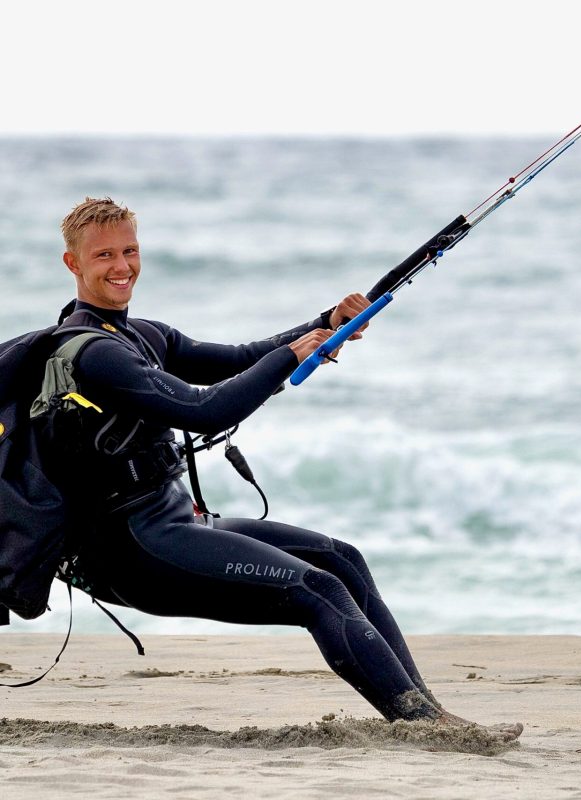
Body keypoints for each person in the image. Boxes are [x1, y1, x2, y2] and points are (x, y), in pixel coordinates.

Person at [49, 196, 522, 739]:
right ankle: (426, 725)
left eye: (130, 250)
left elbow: (236, 359)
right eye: (104, 255)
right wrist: (294, 356)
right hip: (131, 548)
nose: (122, 266)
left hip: (175, 521)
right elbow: (205, 412)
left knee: (342, 559)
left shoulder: (142, 335)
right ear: (73, 264)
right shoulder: (91, 352)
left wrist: (328, 323)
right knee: (318, 591)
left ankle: (428, 713)